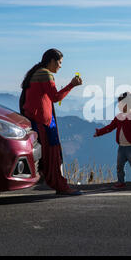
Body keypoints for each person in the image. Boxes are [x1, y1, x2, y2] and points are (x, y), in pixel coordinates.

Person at [19, 48, 83, 195]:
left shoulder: (36, 73)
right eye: (59, 62)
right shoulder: (45, 74)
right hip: (44, 122)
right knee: (52, 155)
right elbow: (55, 97)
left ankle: (54, 181)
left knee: (48, 155)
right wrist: (72, 84)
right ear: (52, 61)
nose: (60, 66)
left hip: (38, 119)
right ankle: (60, 185)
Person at [93, 91, 131, 190]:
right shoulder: (119, 117)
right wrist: (99, 132)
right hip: (121, 147)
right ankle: (121, 182)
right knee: (119, 166)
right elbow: (110, 127)